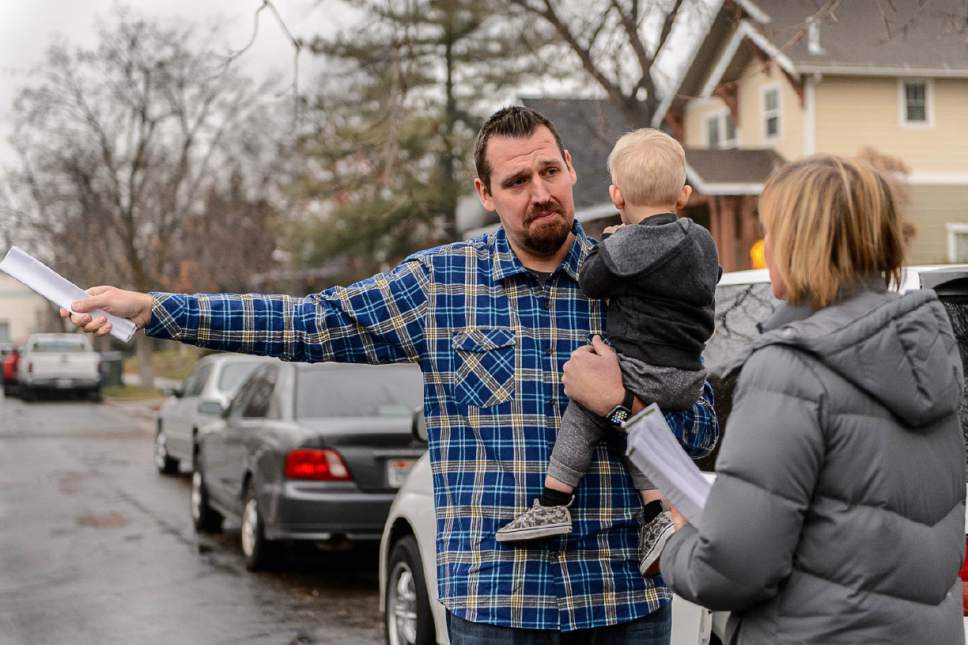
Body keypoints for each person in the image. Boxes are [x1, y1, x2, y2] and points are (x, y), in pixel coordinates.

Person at [62, 106, 718, 643]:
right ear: (486, 195)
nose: (540, 192)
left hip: (622, 603)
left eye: (550, 170)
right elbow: (307, 323)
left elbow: (701, 429)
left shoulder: (637, 276)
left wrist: (625, 401)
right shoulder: (441, 284)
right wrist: (154, 309)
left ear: (574, 169)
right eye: (517, 181)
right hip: (495, 605)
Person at [565, 155, 967, 644]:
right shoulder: (935, 358)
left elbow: (734, 567)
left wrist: (672, 542)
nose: (764, 247)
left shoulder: (791, 368)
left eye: (771, 230)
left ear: (802, 244)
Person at [495, 128, 720, 581]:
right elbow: (711, 274)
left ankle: (554, 501)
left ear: (616, 195)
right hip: (688, 376)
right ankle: (656, 512)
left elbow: (592, 278)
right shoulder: (701, 240)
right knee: (628, 423)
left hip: (641, 371)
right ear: (684, 195)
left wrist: (616, 241)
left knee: (590, 407)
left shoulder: (626, 245)